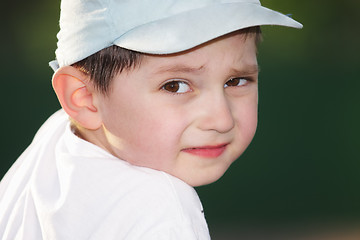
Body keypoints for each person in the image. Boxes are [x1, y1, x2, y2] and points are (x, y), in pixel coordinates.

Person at [0, 0, 302, 239]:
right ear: (85, 98)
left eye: (236, 81)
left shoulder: (57, 139)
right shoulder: (160, 209)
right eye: (175, 85)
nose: (222, 120)